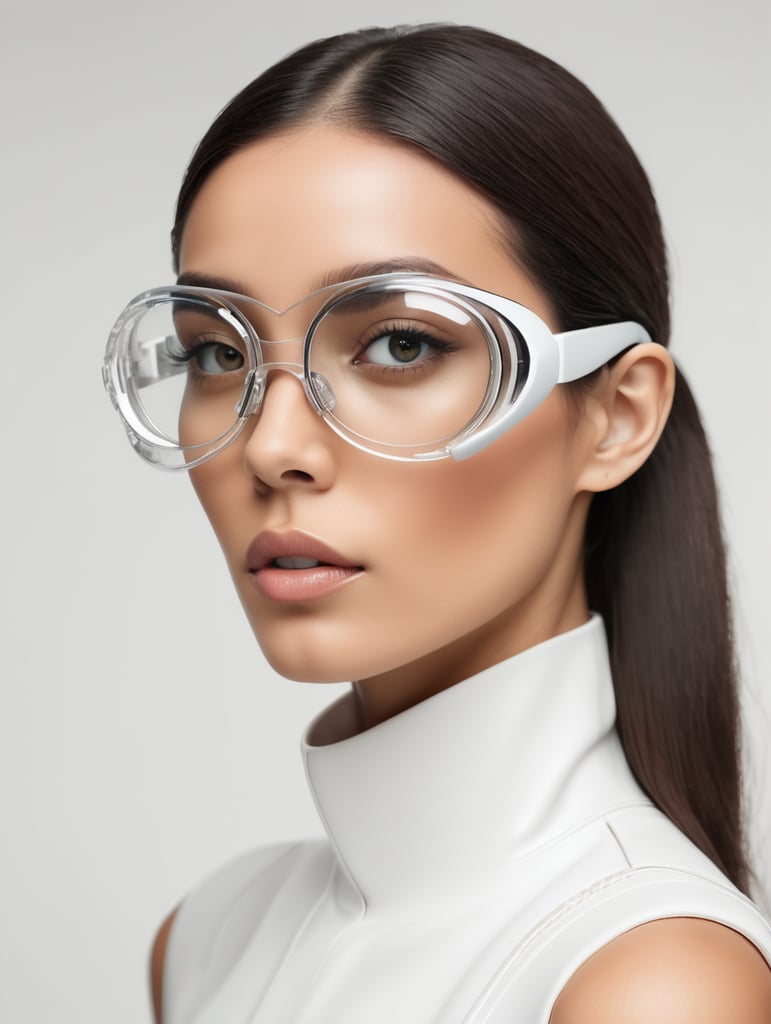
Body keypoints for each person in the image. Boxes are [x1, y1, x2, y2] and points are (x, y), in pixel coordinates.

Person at [103, 23, 771, 1024]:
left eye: (403, 343)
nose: (272, 444)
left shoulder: (650, 979)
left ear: (615, 416)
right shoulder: (206, 937)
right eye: (215, 353)